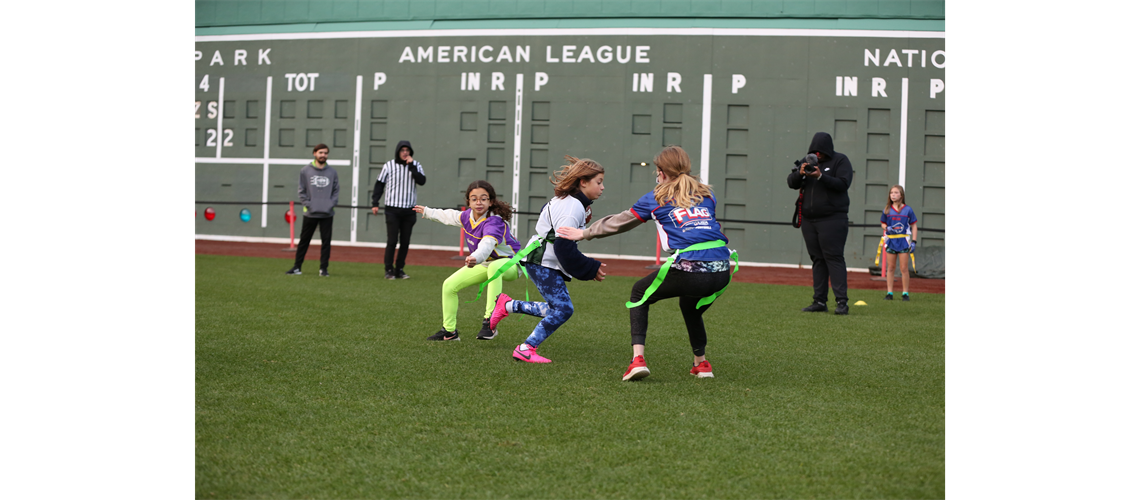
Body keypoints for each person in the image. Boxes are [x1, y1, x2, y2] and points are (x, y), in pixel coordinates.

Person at [555, 146, 735, 381]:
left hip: (691, 266)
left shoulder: (656, 197)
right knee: (690, 307)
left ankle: (637, 361)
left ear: (660, 171)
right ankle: (701, 364)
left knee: (639, 293)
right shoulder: (708, 195)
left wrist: (585, 233)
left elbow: (621, 222)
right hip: (723, 269)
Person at [487, 156, 607, 364]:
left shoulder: (568, 201)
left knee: (557, 308)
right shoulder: (573, 207)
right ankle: (526, 348)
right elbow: (563, 248)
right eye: (599, 182)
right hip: (542, 261)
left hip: (539, 259)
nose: (603, 187)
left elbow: (547, 217)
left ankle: (507, 305)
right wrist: (590, 268)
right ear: (583, 182)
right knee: (563, 309)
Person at [413, 180, 523, 341]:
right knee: (449, 285)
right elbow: (449, 216)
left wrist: (475, 257)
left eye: (484, 198)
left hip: (511, 263)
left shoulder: (494, 221)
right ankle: (449, 332)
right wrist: (428, 211)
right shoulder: (466, 216)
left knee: (494, 269)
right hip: (485, 263)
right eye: (474, 198)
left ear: (491, 201)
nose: (479, 202)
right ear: (468, 202)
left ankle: (490, 323)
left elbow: (487, 244)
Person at [787, 132, 854, 315]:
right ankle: (819, 301)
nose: (818, 155)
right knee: (817, 260)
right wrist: (800, 173)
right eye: (815, 151)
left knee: (834, 258)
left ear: (827, 150)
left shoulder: (840, 161)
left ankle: (842, 302)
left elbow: (842, 184)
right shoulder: (806, 161)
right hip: (809, 220)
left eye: (820, 152)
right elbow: (791, 182)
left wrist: (819, 176)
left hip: (833, 218)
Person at [371, 140, 426, 280]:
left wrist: (412, 166)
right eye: (402, 150)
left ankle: (399, 269)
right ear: (398, 152)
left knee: (405, 241)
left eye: (407, 150)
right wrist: (375, 202)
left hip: (409, 209)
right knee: (392, 240)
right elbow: (379, 185)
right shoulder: (389, 166)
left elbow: (421, 181)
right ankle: (388, 269)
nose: (405, 153)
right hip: (392, 209)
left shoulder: (416, 165)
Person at [286, 144, 339, 277]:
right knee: (304, 240)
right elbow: (301, 190)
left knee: (326, 242)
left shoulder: (332, 172)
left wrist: (330, 205)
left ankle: (323, 269)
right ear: (314, 153)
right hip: (311, 212)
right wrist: (309, 205)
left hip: (327, 213)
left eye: (326, 153)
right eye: (320, 153)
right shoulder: (305, 171)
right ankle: (297, 267)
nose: (323, 155)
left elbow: (336, 191)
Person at [880, 185, 918, 301]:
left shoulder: (908, 210)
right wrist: (886, 227)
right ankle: (889, 293)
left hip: (903, 242)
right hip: (891, 241)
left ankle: (905, 293)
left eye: (896, 193)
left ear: (901, 195)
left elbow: (914, 225)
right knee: (890, 267)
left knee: (904, 268)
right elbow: (882, 223)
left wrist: (914, 241)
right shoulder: (887, 209)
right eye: (891, 193)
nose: (893, 195)